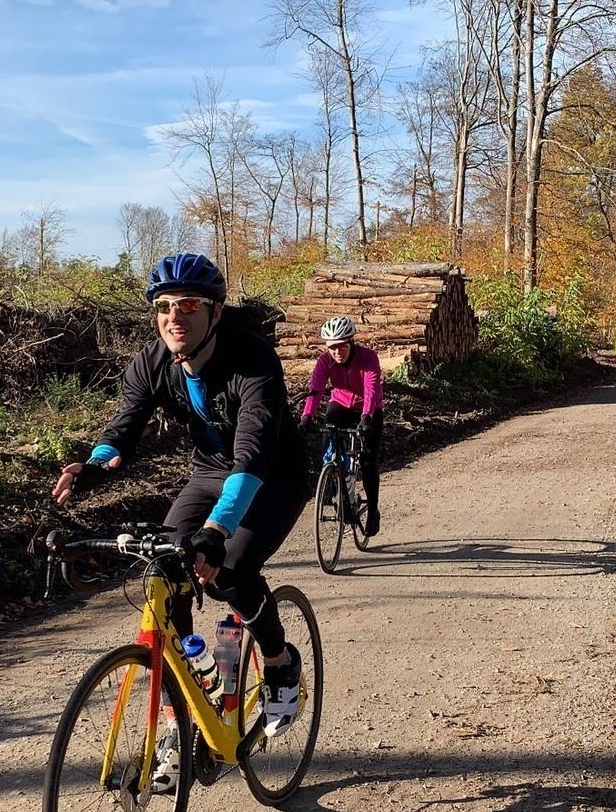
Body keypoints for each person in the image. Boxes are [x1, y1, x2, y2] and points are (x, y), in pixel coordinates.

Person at [51, 253, 311, 774]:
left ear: (215, 313)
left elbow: (255, 452)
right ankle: (181, 711)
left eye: (188, 305)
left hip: (272, 475)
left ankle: (282, 665)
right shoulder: (152, 362)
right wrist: (94, 467)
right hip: (210, 470)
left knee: (229, 572)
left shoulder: (253, 360)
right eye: (164, 307)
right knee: (163, 571)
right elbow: (124, 428)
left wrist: (217, 529)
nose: (174, 317)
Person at [297, 315, 384, 536]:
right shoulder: (325, 361)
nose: (337, 352)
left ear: (351, 342)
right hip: (341, 404)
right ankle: (331, 482)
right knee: (329, 436)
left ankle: (372, 510)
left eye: (342, 347)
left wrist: (366, 417)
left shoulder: (368, 358)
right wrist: (307, 416)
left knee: (367, 460)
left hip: (368, 407)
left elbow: (371, 390)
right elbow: (315, 390)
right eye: (332, 348)